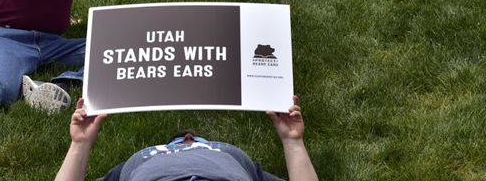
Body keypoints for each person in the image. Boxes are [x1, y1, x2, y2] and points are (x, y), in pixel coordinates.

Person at [55, 95, 318, 181]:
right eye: (182, 140)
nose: (187, 139)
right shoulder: (134, 162)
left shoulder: (233, 155)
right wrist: (80, 143)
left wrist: (293, 141)